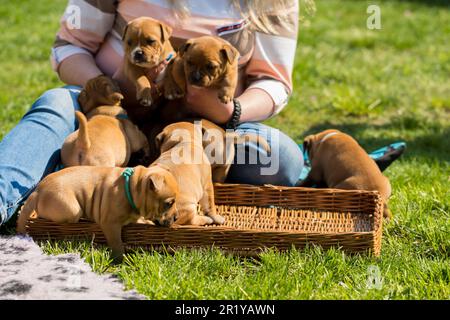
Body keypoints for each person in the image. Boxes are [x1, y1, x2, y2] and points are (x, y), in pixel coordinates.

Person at [0, 0, 404, 226]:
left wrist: (231, 110)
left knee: (281, 156)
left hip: (207, 127)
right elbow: (67, 47)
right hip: (111, 111)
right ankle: (5, 196)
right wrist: (108, 89)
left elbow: (274, 83)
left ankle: (150, 176)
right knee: (56, 105)